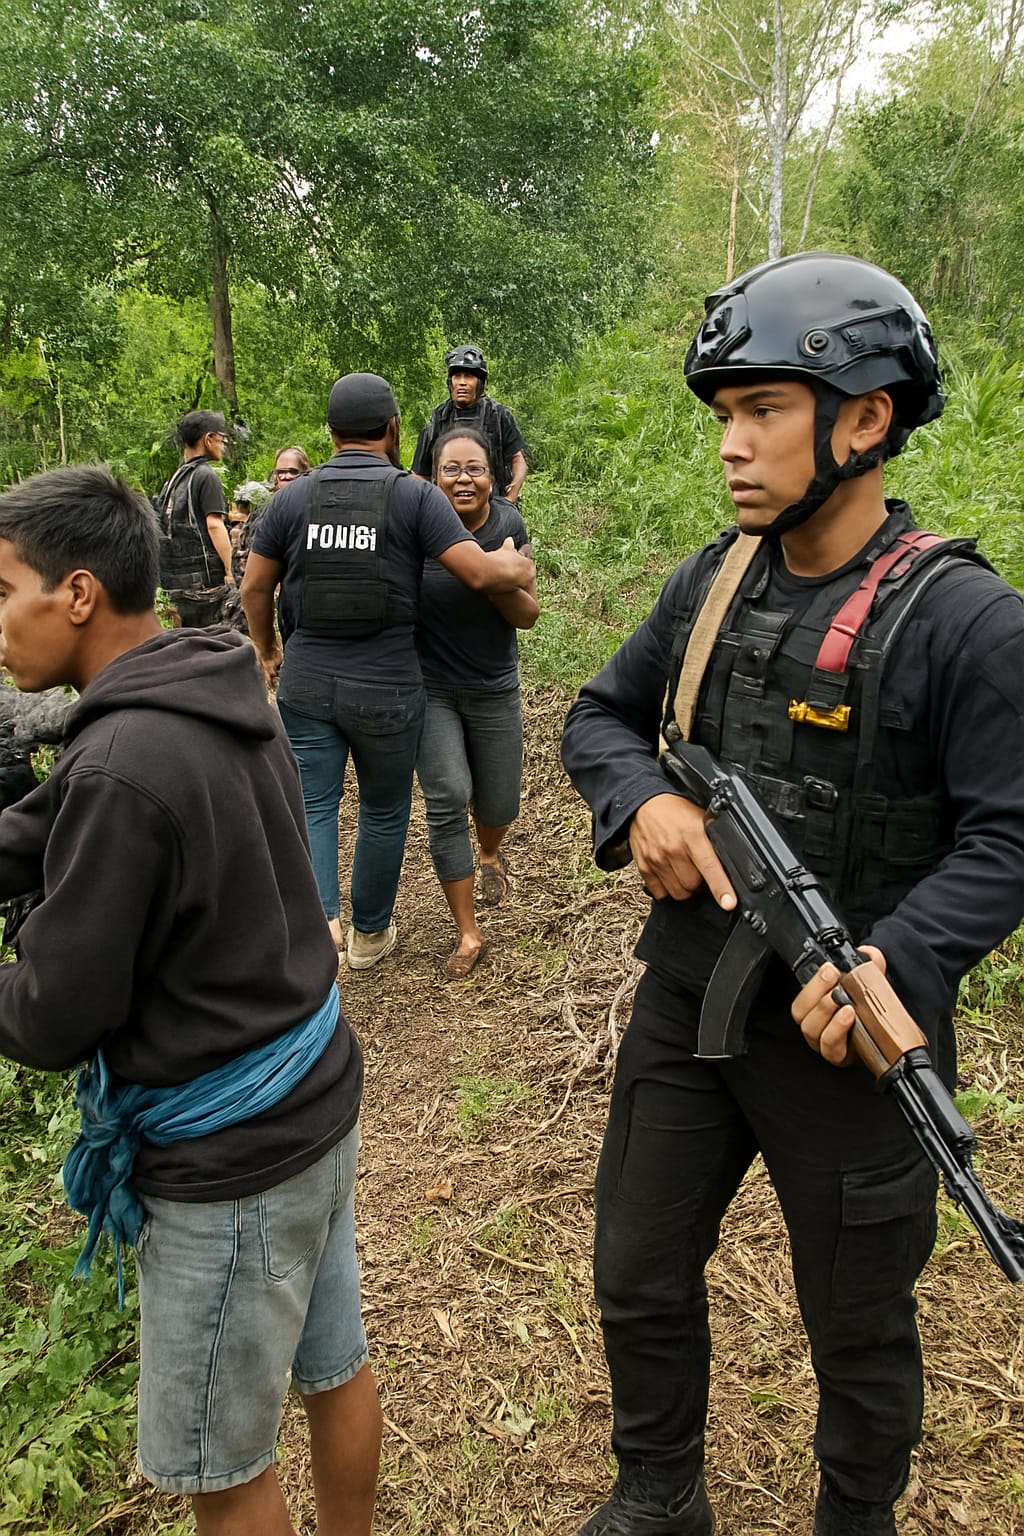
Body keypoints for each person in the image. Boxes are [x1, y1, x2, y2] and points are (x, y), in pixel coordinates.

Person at [560, 252, 1024, 1536]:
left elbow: (1007, 835)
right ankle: (659, 1491)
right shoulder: (713, 583)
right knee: (637, 1269)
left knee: (859, 1325)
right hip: (687, 1004)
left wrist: (907, 959)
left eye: (763, 409)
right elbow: (599, 715)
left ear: (864, 417)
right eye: (725, 416)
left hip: (846, 1039)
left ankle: (855, 1517)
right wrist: (640, 802)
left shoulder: (966, 623)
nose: (733, 445)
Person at [0, 465, 380, 1535]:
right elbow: (54, 816)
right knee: (334, 1368)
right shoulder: (202, 682)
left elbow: (52, 1013)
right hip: (310, 1098)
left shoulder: (122, 755)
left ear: (76, 595)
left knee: (225, 1466)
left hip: (230, 1167)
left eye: (0, 590)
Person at [242, 372, 536, 971]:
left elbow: (254, 585)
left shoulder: (292, 498)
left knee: (316, 803)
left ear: (331, 434)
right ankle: (370, 935)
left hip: (307, 683)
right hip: (389, 688)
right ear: (395, 428)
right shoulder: (414, 495)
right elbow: (479, 574)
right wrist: (511, 563)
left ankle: (323, 923)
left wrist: (267, 649)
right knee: (382, 807)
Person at [415, 427, 539, 978]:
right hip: (430, 687)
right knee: (447, 797)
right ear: (433, 476)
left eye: (475, 468)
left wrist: (490, 578)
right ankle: (467, 932)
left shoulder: (508, 524)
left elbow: (528, 614)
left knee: (499, 803)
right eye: (451, 469)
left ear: (493, 475)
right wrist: (497, 569)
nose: (463, 479)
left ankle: (489, 852)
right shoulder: (416, 528)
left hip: (493, 685)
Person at [411, 345, 528, 502]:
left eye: (469, 377)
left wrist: (510, 499)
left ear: (480, 383)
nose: (462, 383)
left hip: (494, 506)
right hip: (447, 510)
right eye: (457, 376)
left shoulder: (498, 415)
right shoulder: (438, 418)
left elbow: (518, 459)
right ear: (450, 382)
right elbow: (419, 473)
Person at [156, 410, 235, 626]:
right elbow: (214, 525)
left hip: (176, 586)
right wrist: (230, 571)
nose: (223, 445)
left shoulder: (174, 479)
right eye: (222, 438)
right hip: (205, 587)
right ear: (208, 439)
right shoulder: (206, 476)